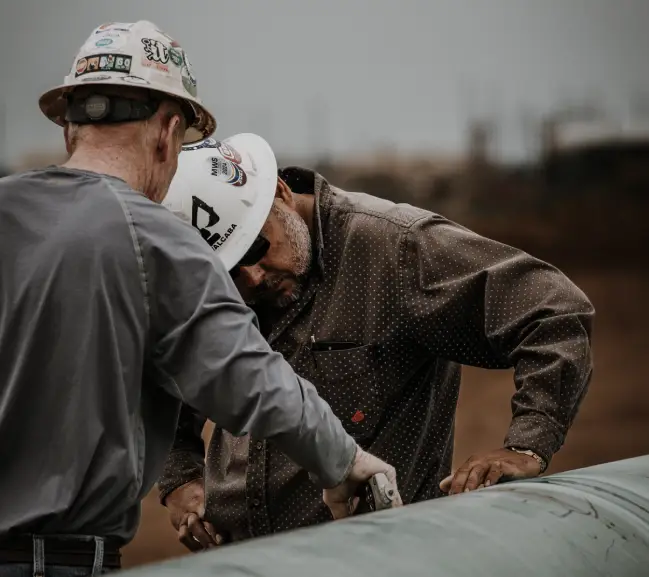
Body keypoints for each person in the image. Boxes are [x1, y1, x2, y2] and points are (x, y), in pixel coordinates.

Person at [0, 22, 399, 577]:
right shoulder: (153, 238)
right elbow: (248, 376)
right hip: (51, 563)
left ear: (70, 129)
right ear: (167, 132)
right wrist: (344, 462)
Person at [158, 142, 595, 548]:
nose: (252, 277)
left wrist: (527, 443)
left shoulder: (396, 249)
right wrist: (179, 477)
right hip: (239, 559)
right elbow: (171, 374)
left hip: (373, 557)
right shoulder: (208, 283)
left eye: (257, 247)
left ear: (281, 193)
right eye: (231, 269)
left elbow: (551, 308)